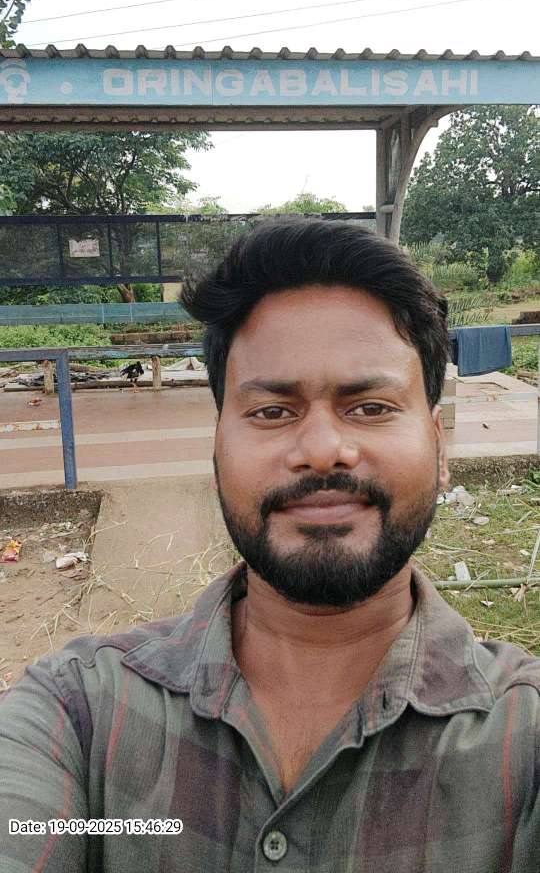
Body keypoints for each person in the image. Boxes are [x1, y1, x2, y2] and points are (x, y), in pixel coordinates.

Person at [1, 220, 539, 872]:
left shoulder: (525, 742)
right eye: (272, 412)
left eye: (370, 407)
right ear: (216, 450)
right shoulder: (77, 714)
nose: (322, 451)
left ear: (439, 446)